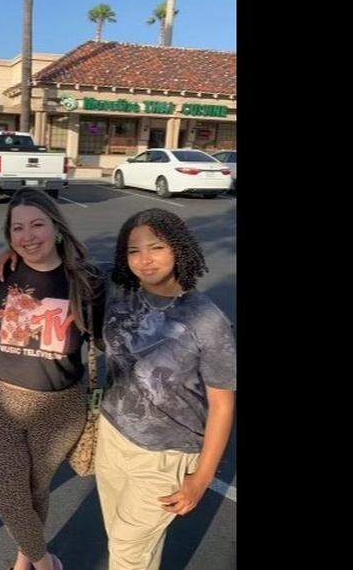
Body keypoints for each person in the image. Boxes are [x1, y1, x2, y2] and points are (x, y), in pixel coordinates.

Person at [95, 208, 236, 570]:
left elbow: (222, 405)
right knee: (125, 542)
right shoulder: (119, 294)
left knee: (128, 553)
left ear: (178, 249)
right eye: (133, 251)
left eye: (156, 247)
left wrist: (201, 479)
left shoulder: (206, 319)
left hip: (164, 456)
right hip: (111, 438)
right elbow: (61, 262)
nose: (144, 260)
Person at [0, 187, 106, 570]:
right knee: (10, 493)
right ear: (9, 235)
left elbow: (101, 340)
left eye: (37, 225)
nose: (28, 236)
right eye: (18, 228)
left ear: (58, 228)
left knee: (35, 487)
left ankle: (23, 558)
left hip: (61, 404)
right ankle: (44, 561)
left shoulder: (88, 281)